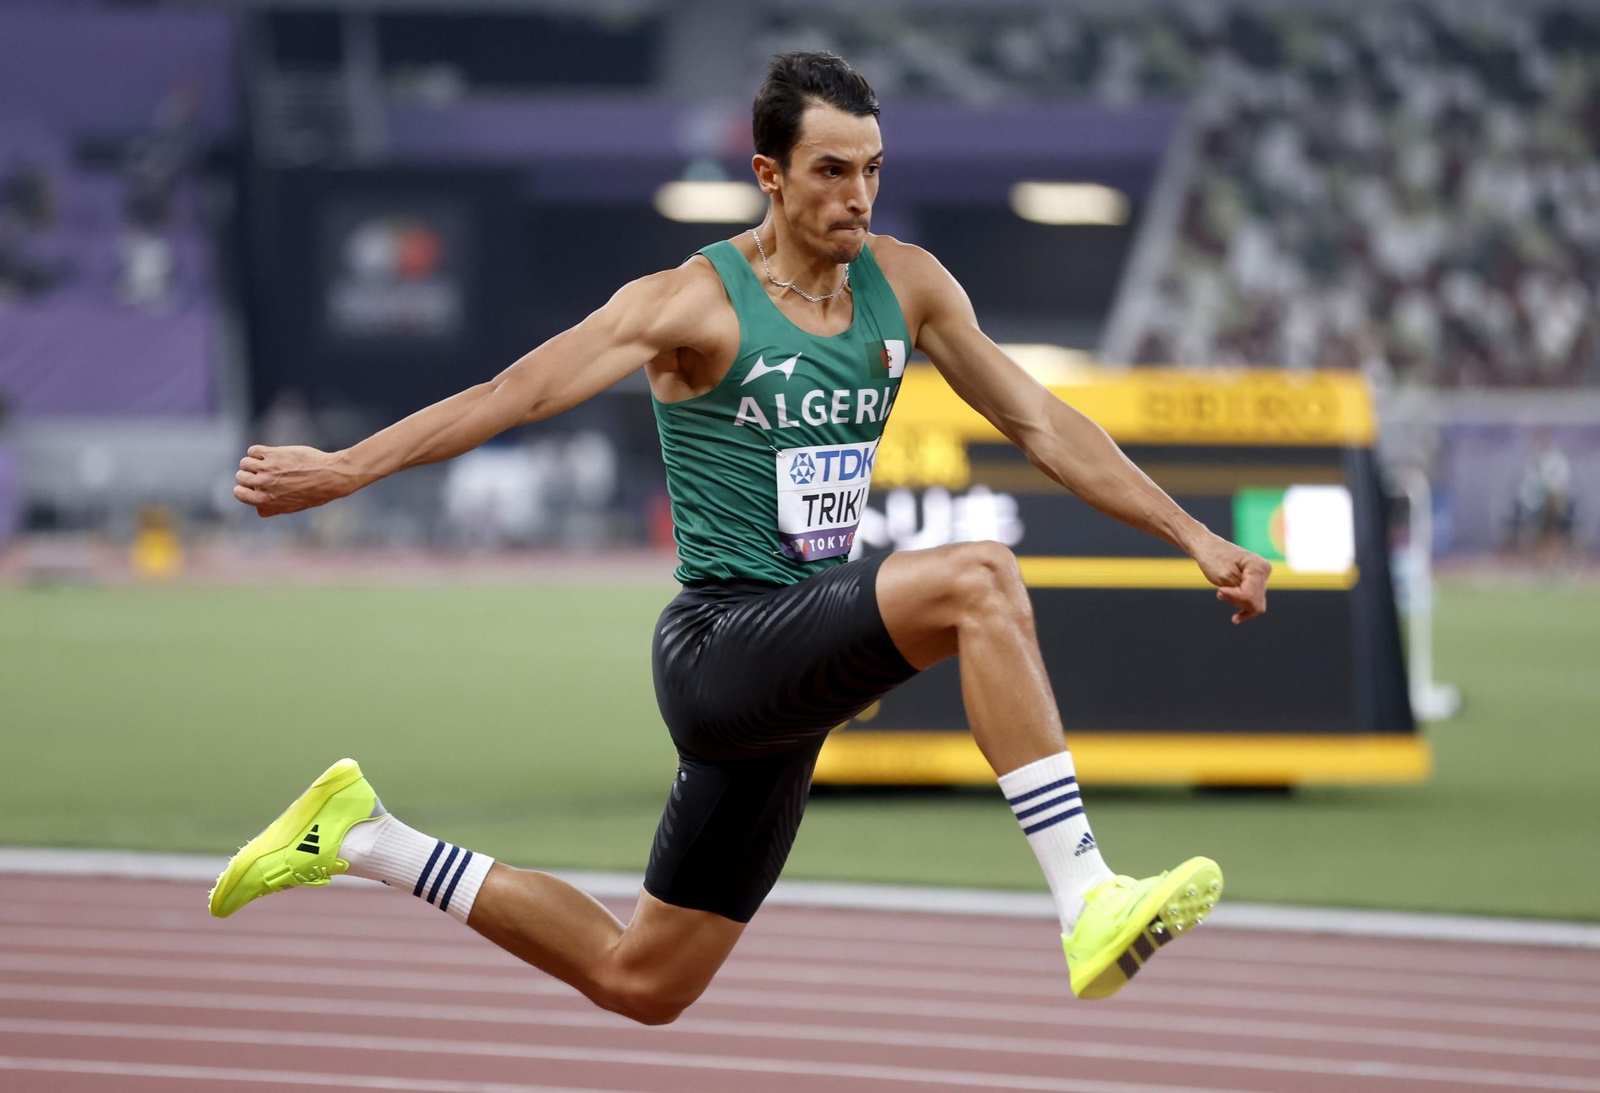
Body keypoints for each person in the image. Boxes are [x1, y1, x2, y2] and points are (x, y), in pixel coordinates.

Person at [215, 52, 1270, 1014]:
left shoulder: (908, 287)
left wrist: (1190, 532)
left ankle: (363, 835)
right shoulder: (690, 303)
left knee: (644, 980)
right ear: (768, 174)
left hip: (791, 680)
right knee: (981, 577)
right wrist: (347, 466)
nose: (857, 194)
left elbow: (1045, 424)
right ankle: (1086, 891)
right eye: (829, 171)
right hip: (721, 650)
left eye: (871, 168)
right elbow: (515, 393)